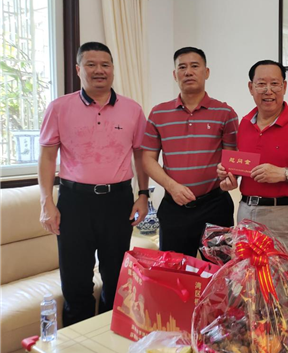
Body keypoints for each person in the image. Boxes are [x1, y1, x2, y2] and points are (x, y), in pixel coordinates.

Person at [38, 42, 149, 326]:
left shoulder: (133, 109)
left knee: (117, 280)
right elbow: (48, 157)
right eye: (91, 64)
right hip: (74, 202)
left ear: (113, 69)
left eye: (105, 64)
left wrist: (143, 194)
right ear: (78, 69)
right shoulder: (59, 108)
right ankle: (76, 347)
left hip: (118, 201)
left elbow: (140, 155)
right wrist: (46, 202)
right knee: (75, 283)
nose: (99, 70)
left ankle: (109, 340)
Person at [218, 60, 288, 265]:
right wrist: (228, 178)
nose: (268, 90)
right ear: (251, 88)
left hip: (287, 215)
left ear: (284, 87)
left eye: (275, 84)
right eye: (261, 84)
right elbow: (242, 168)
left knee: (287, 277)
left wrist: (284, 173)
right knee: (248, 277)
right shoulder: (244, 124)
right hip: (247, 210)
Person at [142, 47, 238, 257]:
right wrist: (171, 186)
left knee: (218, 270)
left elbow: (232, 159)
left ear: (207, 72)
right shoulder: (158, 113)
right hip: (174, 207)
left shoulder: (225, 113)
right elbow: (147, 159)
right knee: (174, 271)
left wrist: (230, 178)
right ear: (174, 74)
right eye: (182, 67)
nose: (188, 72)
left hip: (215, 206)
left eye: (195, 66)